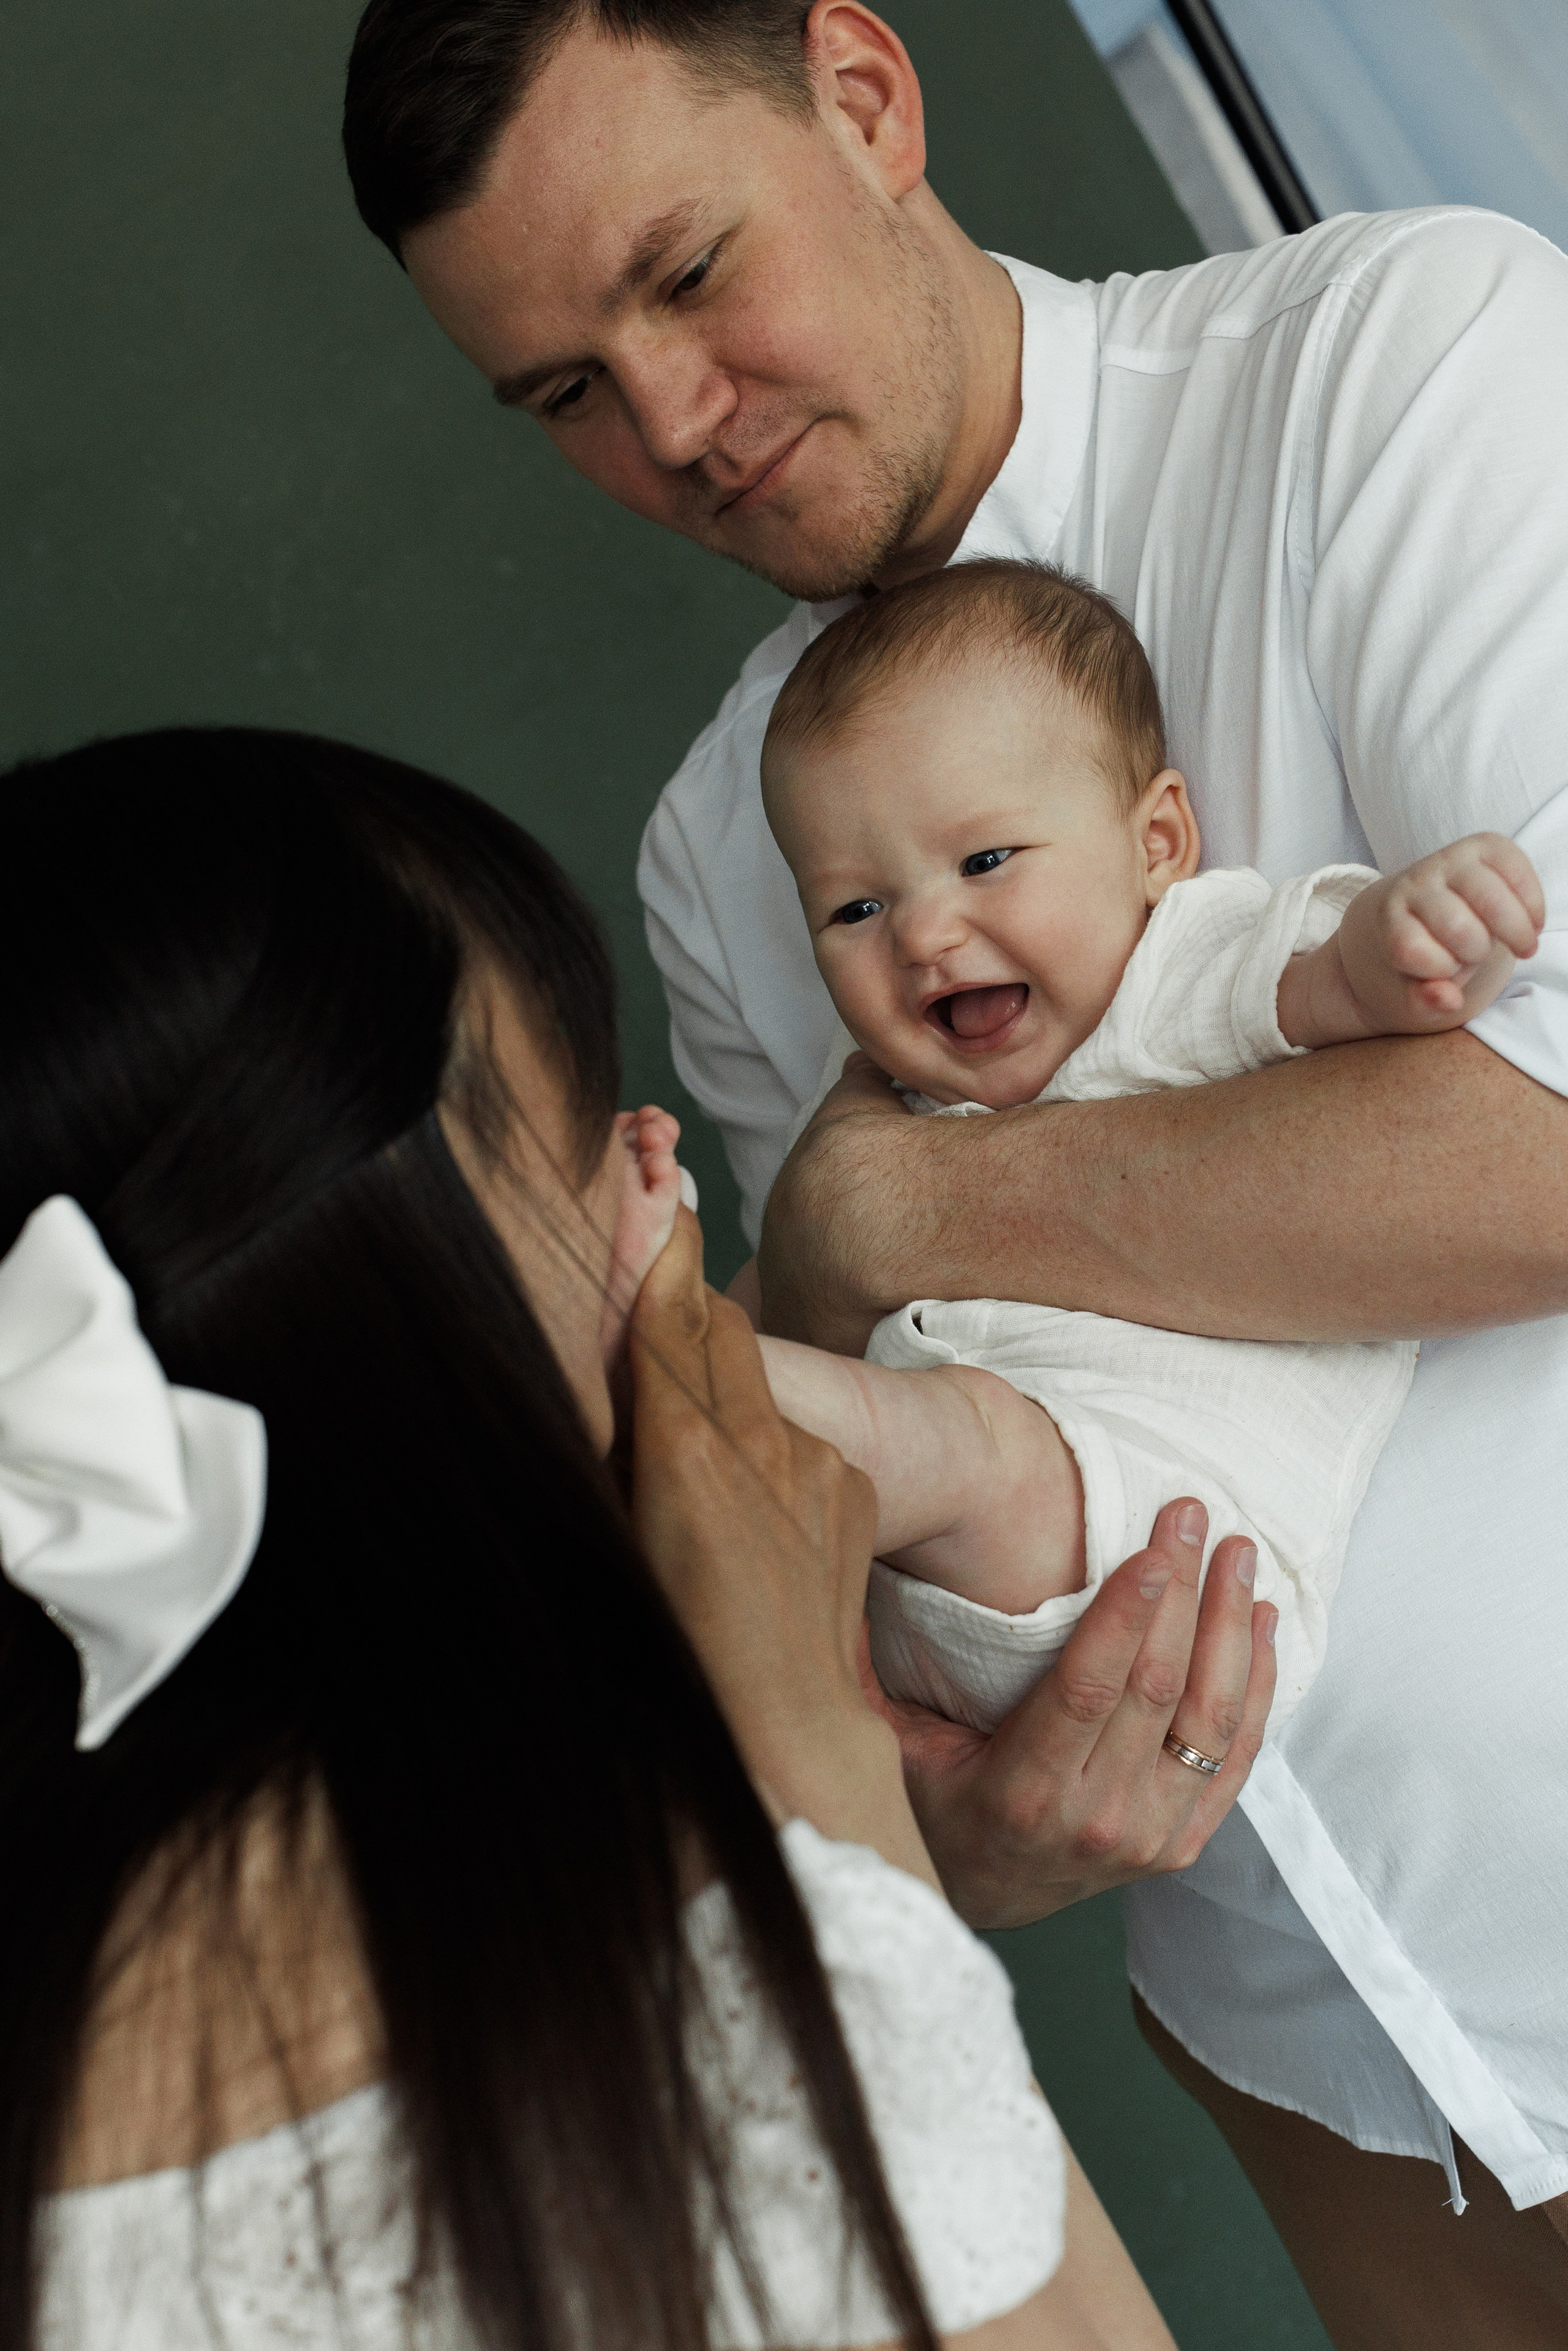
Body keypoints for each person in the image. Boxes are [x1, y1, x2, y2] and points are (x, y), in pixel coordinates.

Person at [340, 1, 1568, 2336]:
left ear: (868, 101)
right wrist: (960, 1823)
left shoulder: (1400, 367)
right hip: (1325, 2055)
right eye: (565, 393)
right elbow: (885, 1509)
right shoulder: (722, 852)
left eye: (688, 275)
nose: (675, 427)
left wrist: (897, 1205)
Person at [0, 722, 1224, 2350]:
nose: (653, 1198)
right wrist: (818, 1784)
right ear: (413, 1314)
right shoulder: (708, 1998)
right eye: (592, 1151)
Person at [747, 557, 1541, 1735]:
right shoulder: (885, 1096)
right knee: (798, 1402)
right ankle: (671, 1388)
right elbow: (803, 1263)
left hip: (1154, 1557)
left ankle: (689, 1392)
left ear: (1159, 840)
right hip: (918, 1619)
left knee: (937, 1440)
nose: (924, 933)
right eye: (855, 909)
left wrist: (1409, 937)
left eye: (983, 862)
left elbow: (1318, 990)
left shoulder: (1174, 972)